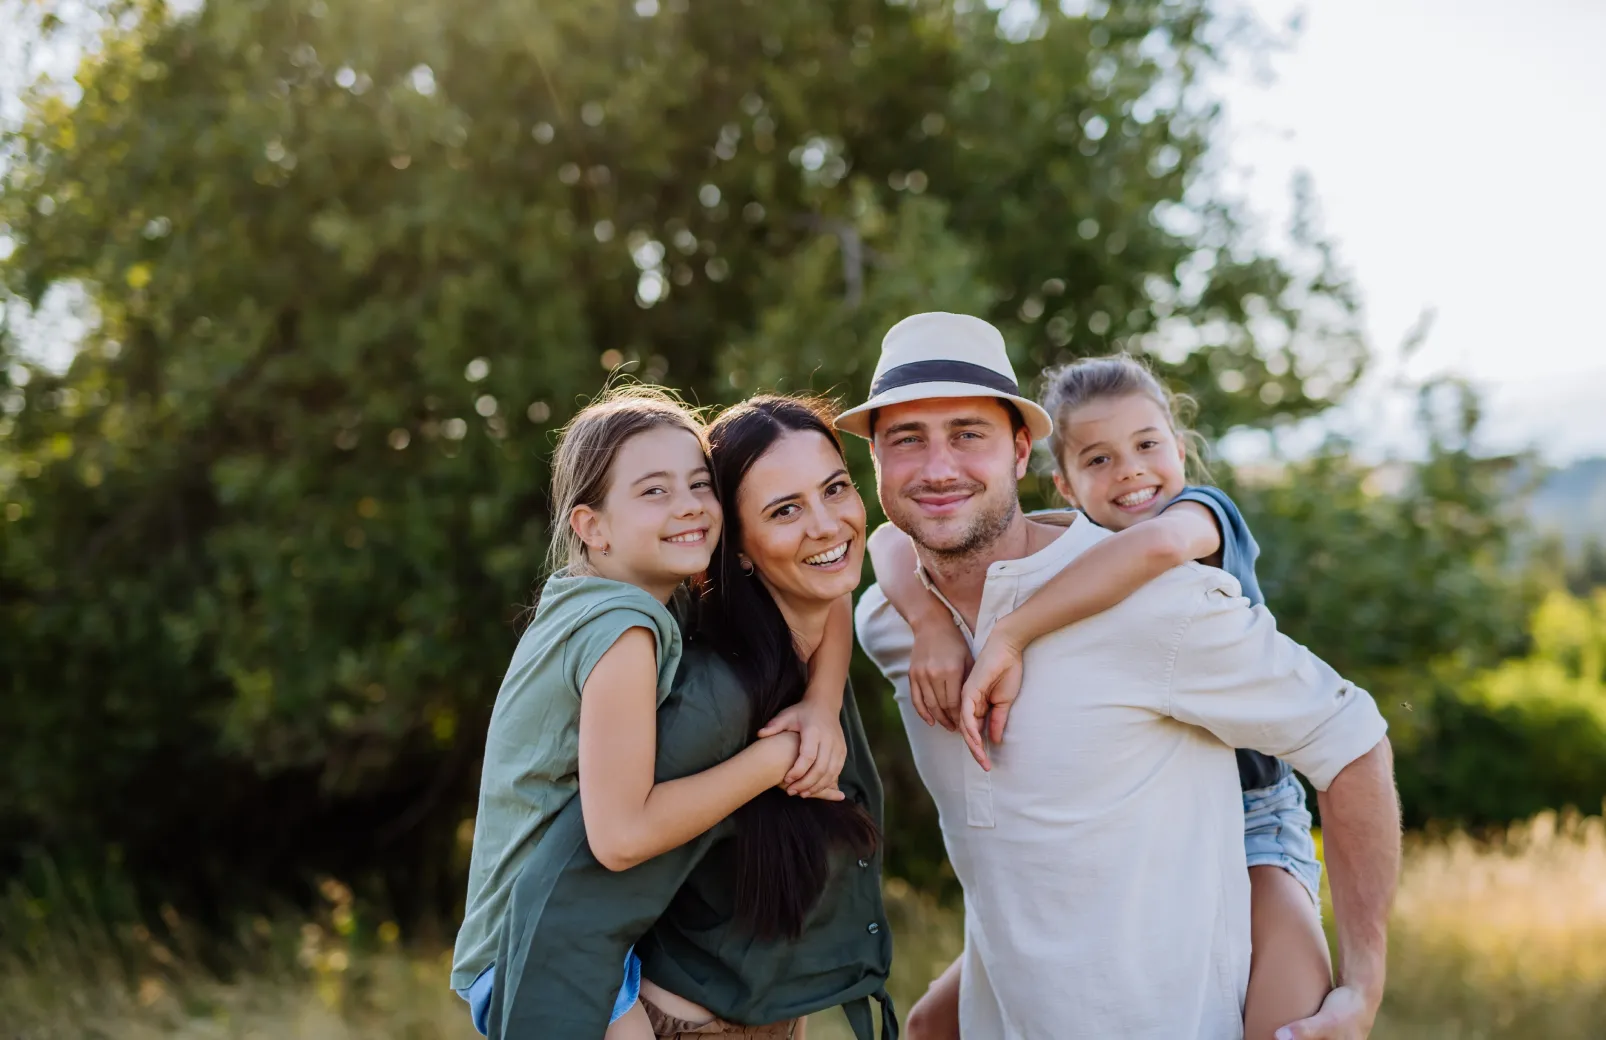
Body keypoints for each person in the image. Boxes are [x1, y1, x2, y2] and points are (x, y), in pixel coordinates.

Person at [848, 312, 1402, 1039]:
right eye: (906, 439)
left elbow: (1351, 739)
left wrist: (1363, 983)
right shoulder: (887, 620)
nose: (939, 467)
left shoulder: (1159, 599)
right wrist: (926, 621)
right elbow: (889, 547)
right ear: (878, 463)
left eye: (968, 434)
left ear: (1020, 451)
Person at [486, 396, 897, 1040]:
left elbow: (830, 597)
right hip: (535, 941)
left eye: (836, 489)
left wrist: (820, 705)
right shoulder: (633, 638)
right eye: (784, 509)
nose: (825, 525)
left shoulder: (693, 606)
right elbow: (614, 844)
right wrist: (779, 756)